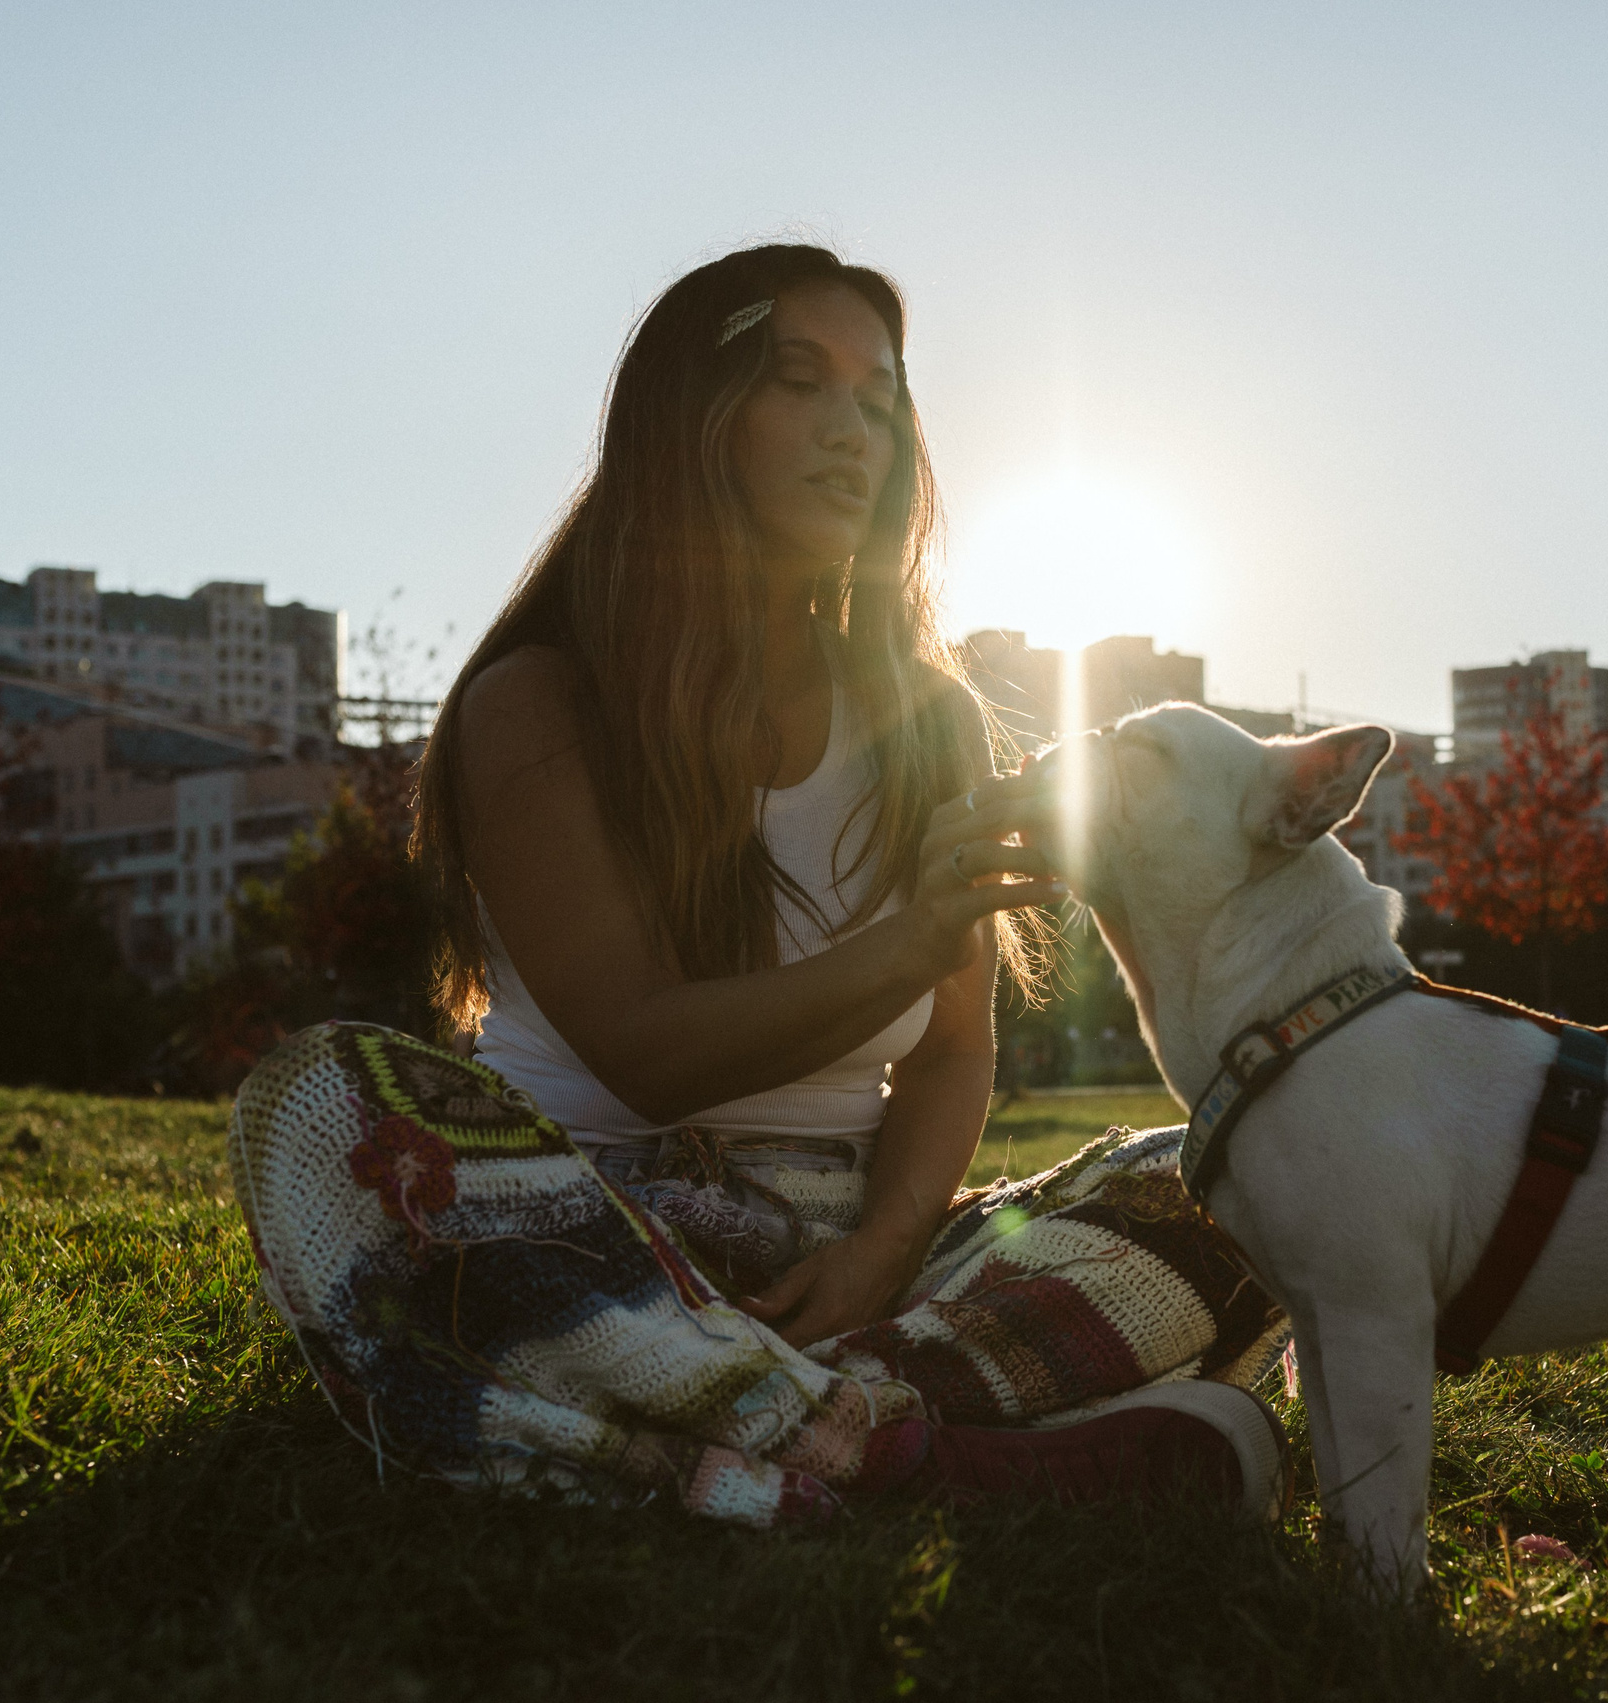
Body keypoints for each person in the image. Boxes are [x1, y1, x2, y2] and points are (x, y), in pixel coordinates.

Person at [230, 244, 1290, 1529]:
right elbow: (642, 1053)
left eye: (881, 399)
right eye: (803, 384)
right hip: (588, 1224)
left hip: (846, 1254)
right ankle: (924, 1451)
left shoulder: (929, 723)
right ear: (693, 418)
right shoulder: (539, 703)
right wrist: (903, 943)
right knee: (326, 1106)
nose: (855, 433)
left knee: (1228, 1168)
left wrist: (879, 1254)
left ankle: (739, 1428)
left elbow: (956, 1054)